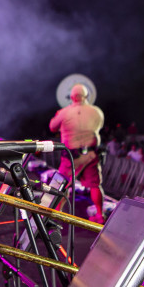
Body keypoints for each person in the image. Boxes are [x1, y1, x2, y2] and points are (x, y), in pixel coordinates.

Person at [49, 83, 105, 223]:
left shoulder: (65, 112)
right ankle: (99, 215)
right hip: (91, 154)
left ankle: (56, 215)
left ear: (72, 97)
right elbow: (99, 125)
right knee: (95, 185)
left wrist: (57, 117)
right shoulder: (96, 111)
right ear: (86, 96)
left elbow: (52, 127)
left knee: (62, 184)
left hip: (72, 155)